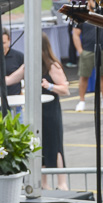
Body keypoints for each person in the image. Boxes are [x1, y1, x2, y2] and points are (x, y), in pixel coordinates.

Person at [38, 32, 70, 191]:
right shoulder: (32, 65)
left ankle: (61, 183)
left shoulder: (53, 66)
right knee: (40, 146)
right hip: (37, 111)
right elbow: (12, 78)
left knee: (55, 145)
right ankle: (43, 183)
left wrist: (49, 86)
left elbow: (65, 89)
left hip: (51, 111)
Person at [72, 0, 103, 112]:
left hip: (102, 48)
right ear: (88, 2)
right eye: (93, 0)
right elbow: (75, 34)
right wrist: (80, 50)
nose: (95, 3)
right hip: (87, 50)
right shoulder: (81, 15)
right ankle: (81, 101)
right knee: (84, 76)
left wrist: (101, 8)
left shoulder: (101, 13)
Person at [66, 0, 87, 67]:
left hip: (78, 22)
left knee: (77, 39)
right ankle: (73, 59)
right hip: (72, 21)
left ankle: (81, 58)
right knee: (72, 41)